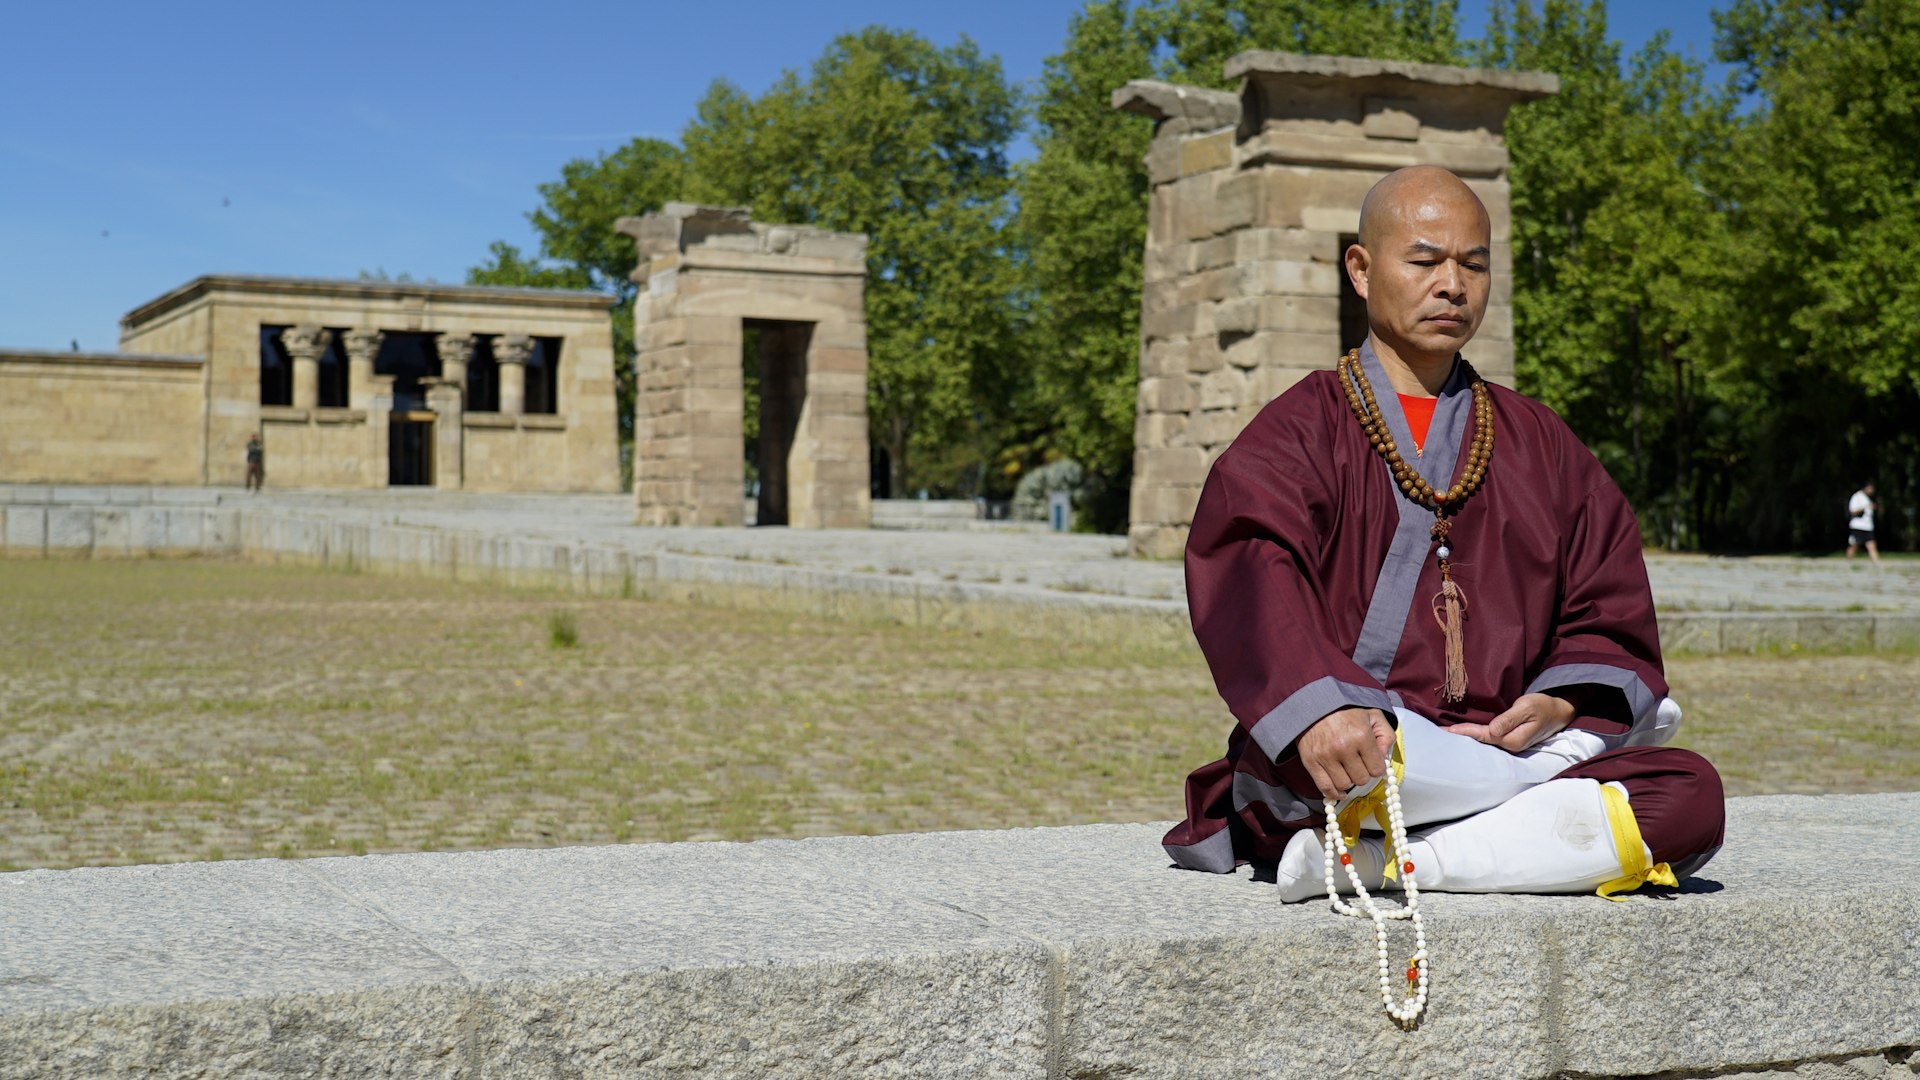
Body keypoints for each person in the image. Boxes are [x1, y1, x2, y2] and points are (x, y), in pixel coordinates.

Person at [1162, 166, 1724, 900]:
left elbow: (1605, 601)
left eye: (1474, 265)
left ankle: (1387, 863)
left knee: (1689, 793)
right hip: (1359, 749)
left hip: (1503, 754)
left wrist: (1557, 704)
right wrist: (1323, 708)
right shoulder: (1299, 431)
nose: (1452, 285)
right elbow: (1249, 575)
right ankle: (1497, 833)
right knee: (1358, 762)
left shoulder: (1540, 441)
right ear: (1361, 270)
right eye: (1425, 261)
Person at [1847, 482, 1879, 564]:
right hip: (1858, 526)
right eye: (1870, 488)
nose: (1872, 491)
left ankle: (1876, 562)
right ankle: (1848, 561)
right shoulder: (1857, 497)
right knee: (1854, 545)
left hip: (1868, 526)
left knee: (1871, 544)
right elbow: (1852, 511)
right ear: (1865, 488)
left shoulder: (1867, 498)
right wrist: (1865, 508)